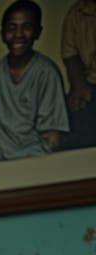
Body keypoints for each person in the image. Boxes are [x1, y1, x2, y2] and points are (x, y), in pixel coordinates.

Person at [0, 0, 70, 159]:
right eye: (12, 28)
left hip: (36, 157)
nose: (18, 34)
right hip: (2, 158)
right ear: (2, 35)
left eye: (26, 27)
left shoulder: (46, 73)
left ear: (37, 32)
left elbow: (52, 136)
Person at [61, 0, 96, 149]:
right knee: (76, 109)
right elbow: (70, 54)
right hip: (91, 83)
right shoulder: (77, 12)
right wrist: (79, 86)